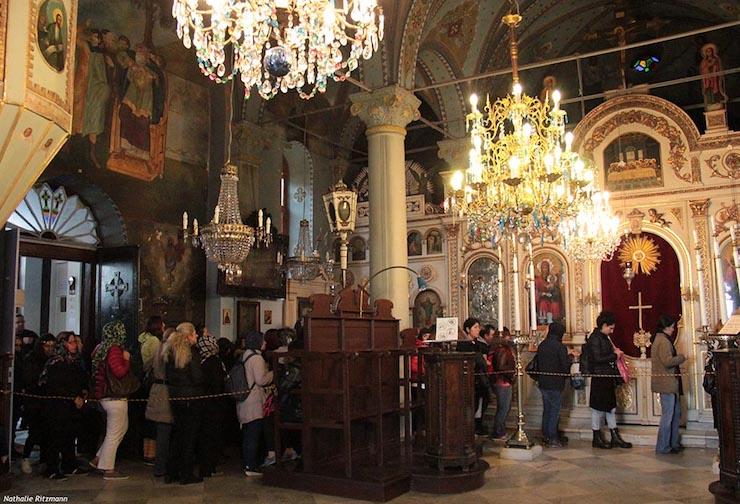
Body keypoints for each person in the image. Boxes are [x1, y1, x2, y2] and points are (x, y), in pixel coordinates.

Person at [39, 332, 89, 479]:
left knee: (69, 436)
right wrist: (73, 396)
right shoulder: (56, 363)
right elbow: (57, 385)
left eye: (74, 342)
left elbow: (78, 380)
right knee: (56, 437)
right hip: (57, 407)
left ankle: (69, 464)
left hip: (70, 407)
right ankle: (52, 468)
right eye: (71, 342)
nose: (74, 345)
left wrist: (82, 392)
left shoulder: (72, 361)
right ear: (63, 344)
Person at [90, 320, 134, 480]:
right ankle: (108, 468)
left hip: (104, 395)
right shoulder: (114, 349)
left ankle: (98, 458)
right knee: (114, 432)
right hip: (114, 396)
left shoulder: (100, 348)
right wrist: (127, 359)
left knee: (121, 428)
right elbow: (119, 371)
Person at [164, 322, 206, 485]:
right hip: (191, 397)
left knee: (177, 436)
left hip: (175, 397)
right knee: (189, 437)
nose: (197, 336)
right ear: (188, 335)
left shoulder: (170, 351)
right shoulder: (191, 353)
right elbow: (197, 376)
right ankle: (186, 474)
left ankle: (172, 472)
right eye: (195, 333)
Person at [585, 311, 632, 449]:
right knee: (597, 408)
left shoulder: (604, 337)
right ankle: (596, 437)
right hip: (600, 377)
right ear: (604, 325)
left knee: (610, 408)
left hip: (607, 376)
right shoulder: (595, 338)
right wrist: (614, 356)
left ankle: (614, 436)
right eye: (610, 328)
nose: (611, 331)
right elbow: (597, 359)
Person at [237, 331, 273, 476]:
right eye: (263, 340)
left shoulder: (245, 355)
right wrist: (273, 373)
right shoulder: (257, 358)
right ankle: (250, 465)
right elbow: (261, 380)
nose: (265, 343)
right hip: (253, 400)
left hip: (244, 400)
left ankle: (248, 463)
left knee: (248, 433)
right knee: (253, 434)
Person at [20, 334, 55, 474]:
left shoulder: (53, 360)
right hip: (34, 401)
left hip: (48, 401)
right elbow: (29, 379)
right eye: (47, 346)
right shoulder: (32, 359)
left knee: (47, 432)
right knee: (34, 432)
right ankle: (26, 457)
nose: (50, 349)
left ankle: (44, 459)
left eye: (53, 346)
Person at [651, 315, 686, 454]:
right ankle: (663, 446)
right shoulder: (663, 341)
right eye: (671, 327)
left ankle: (672, 442)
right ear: (665, 327)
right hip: (666, 382)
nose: (673, 329)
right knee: (668, 415)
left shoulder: (661, 339)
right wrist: (682, 358)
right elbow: (667, 361)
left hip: (669, 382)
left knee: (675, 413)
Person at [196, 331, 228, 477]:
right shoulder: (214, 362)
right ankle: (209, 467)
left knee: (204, 436)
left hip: (202, 403)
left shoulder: (199, 360)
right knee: (211, 437)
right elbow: (218, 384)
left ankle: (205, 465)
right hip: (214, 405)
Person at [145, 327, 175, 478]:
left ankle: (161, 464)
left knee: (161, 430)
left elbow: (146, 366)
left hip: (156, 391)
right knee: (164, 431)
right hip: (164, 393)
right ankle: (161, 466)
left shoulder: (157, 350)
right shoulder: (167, 352)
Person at [536, 322, 571, 447]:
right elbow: (564, 366)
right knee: (554, 411)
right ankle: (552, 438)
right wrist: (570, 358)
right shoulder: (560, 347)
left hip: (543, 382)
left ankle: (546, 435)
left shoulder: (542, 345)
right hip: (555, 383)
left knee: (547, 410)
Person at [459, 318, 491, 435]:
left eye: (479, 327)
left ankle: (478, 425)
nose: (478, 330)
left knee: (482, 402)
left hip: (481, 379)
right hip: (470, 381)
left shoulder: (478, 344)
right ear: (468, 329)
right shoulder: (462, 345)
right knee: (472, 404)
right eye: (475, 327)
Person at [139, 315, 164, 465]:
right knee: (153, 420)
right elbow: (156, 361)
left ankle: (146, 452)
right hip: (152, 384)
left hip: (146, 383)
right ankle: (151, 454)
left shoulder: (144, 339)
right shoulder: (154, 341)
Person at [489, 327, 515, 440]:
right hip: (503, 382)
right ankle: (498, 432)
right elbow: (501, 366)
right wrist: (511, 375)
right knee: (503, 408)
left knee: (504, 407)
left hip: (502, 381)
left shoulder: (499, 348)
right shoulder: (503, 350)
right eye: (508, 335)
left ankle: (500, 430)